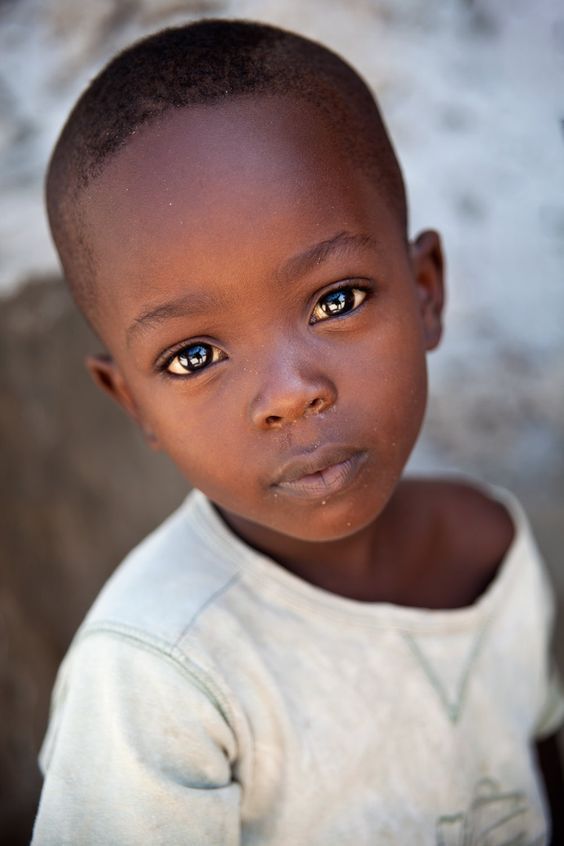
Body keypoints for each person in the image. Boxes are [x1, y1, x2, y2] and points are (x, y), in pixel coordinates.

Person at [31, 18, 564, 845]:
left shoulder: (489, 547)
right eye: (193, 355)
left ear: (425, 291)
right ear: (133, 403)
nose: (289, 395)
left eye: (336, 300)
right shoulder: (159, 677)